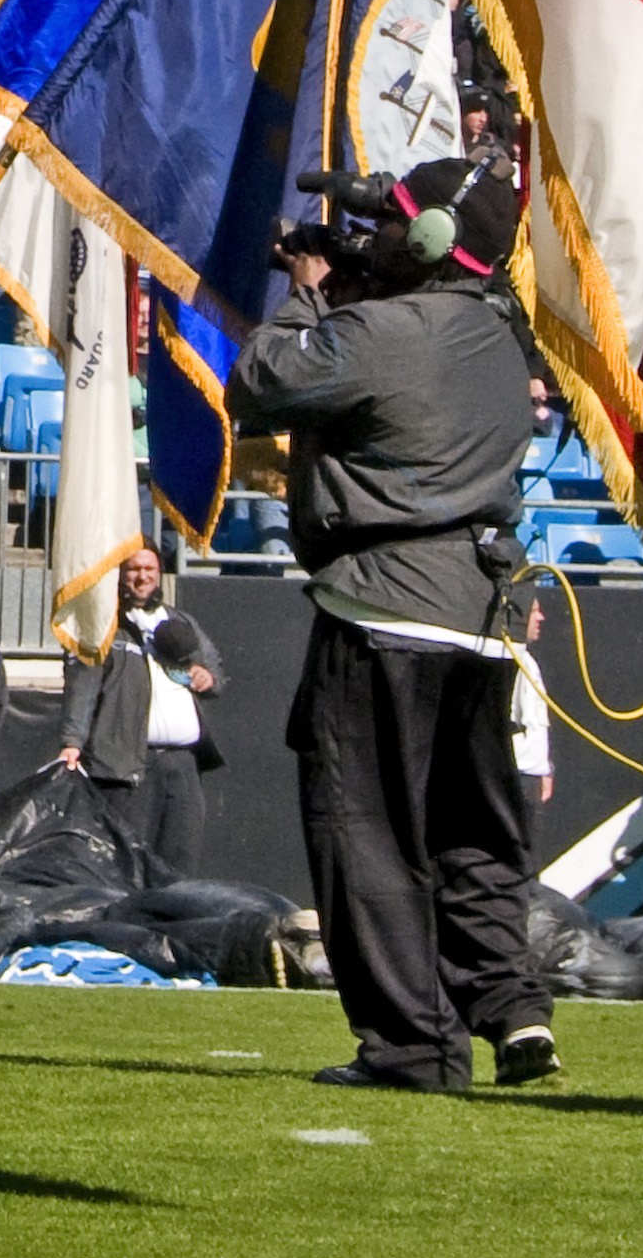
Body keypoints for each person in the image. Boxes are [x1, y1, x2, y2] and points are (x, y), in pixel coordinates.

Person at [226, 159, 561, 1095]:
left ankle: (412, 1048)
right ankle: (513, 1010)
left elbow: (259, 384)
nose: (371, 232)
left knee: (365, 834)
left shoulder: (375, 331)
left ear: (424, 242)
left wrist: (304, 299)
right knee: (473, 835)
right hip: (480, 617)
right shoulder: (499, 331)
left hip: (383, 606)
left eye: (392, 221)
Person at [54, 545, 221, 871]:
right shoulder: (103, 626)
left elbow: (217, 671)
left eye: (149, 569)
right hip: (127, 766)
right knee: (128, 865)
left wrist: (207, 677)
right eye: (133, 569)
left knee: (180, 862)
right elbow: (82, 688)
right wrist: (71, 742)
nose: (142, 576)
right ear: (119, 574)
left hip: (184, 764)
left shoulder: (179, 620)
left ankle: (174, 921)